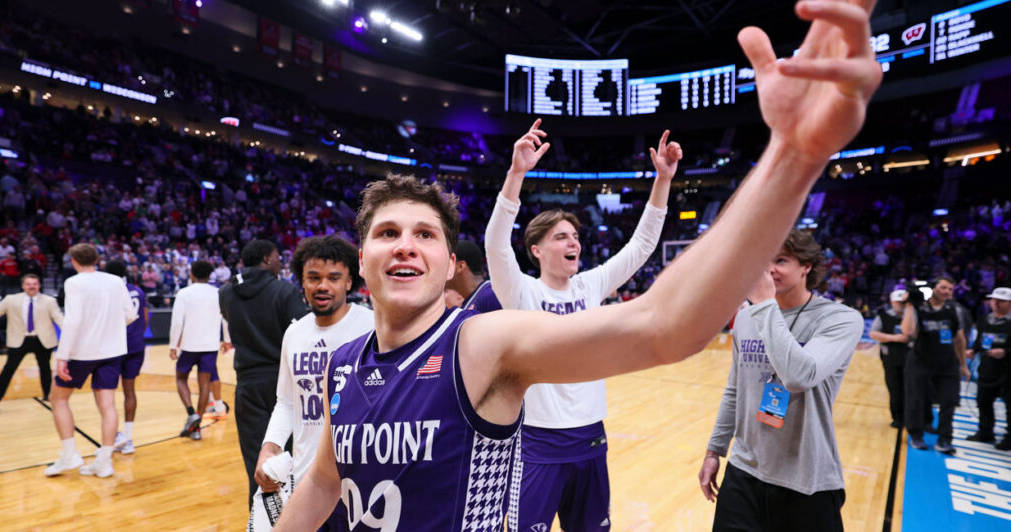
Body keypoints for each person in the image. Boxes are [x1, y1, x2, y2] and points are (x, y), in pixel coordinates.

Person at [275, 1, 882, 528]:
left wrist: (792, 159)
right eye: (388, 232)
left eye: (425, 234)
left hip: (584, 439)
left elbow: (662, 323)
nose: (405, 244)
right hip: (542, 445)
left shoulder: (484, 341)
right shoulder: (343, 364)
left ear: (446, 261)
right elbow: (326, 481)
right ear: (363, 259)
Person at [486, 123, 678, 531]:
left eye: (574, 235)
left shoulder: (591, 285)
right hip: (537, 441)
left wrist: (663, 180)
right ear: (537, 250)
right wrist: (516, 174)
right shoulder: (520, 292)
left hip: (590, 436)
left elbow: (641, 247)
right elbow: (495, 245)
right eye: (560, 237)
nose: (573, 242)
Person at [700, 230, 864, 531]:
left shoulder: (840, 319)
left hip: (805, 480)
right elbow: (735, 390)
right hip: (743, 471)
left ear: (807, 266)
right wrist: (715, 450)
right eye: (762, 261)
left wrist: (763, 303)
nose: (768, 269)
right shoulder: (747, 317)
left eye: (781, 260)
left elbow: (799, 376)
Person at [254, 236, 374, 527]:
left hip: (361, 484)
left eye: (334, 278)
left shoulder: (372, 327)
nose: (323, 286)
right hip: (309, 481)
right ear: (302, 282)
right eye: (314, 278)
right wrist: (269, 447)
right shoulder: (294, 334)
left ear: (349, 282)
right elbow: (286, 402)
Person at [220, 239, 308, 504]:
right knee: (292, 461)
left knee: (257, 464)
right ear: (267, 260)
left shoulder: (224, 293)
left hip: (247, 384)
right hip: (283, 385)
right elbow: (302, 337)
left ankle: (261, 521)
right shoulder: (285, 291)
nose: (281, 261)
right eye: (277, 257)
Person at [45, 243, 136, 478]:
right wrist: (110, 330)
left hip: (83, 352)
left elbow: (73, 321)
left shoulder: (74, 282)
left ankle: (69, 455)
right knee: (107, 405)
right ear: (96, 260)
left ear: (74, 261)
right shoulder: (115, 280)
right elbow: (130, 315)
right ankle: (104, 462)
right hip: (113, 351)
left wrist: (62, 356)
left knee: (58, 398)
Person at [902, 276, 970, 454]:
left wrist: (963, 365)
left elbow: (959, 339)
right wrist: (910, 304)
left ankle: (945, 439)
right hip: (920, 360)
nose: (947, 292)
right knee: (915, 399)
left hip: (947, 362)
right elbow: (907, 332)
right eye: (943, 288)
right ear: (933, 288)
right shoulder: (918, 307)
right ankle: (916, 435)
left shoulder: (954, 309)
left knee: (949, 401)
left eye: (950, 289)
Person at [0, 274, 64, 412]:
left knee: (45, 369)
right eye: (28, 284)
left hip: (42, 340)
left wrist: (71, 333)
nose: (32, 286)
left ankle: (48, 396)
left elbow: (59, 319)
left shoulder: (49, 301)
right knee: (8, 370)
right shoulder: (11, 300)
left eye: (35, 283)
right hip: (19, 340)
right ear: (23, 286)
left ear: (39, 285)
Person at [169, 260, 225, 441]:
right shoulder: (218, 293)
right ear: (210, 276)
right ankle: (197, 427)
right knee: (204, 385)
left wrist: (173, 345)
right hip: (210, 346)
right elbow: (225, 318)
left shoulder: (184, 293)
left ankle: (191, 412)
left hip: (189, 345)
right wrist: (228, 340)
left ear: (191, 274)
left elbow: (177, 321)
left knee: (180, 378)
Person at [104, 260, 148, 453]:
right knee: (129, 391)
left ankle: (115, 436)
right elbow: (145, 319)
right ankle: (128, 439)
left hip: (114, 347)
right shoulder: (138, 291)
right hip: (136, 346)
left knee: (107, 394)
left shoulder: (109, 291)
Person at [965, 286, 1011, 450]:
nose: (996, 303)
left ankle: (1009, 438)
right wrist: (973, 350)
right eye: (994, 300)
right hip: (987, 369)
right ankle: (985, 432)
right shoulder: (984, 319)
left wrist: (1005, 352)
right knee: (983, 402)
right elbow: (980, 341)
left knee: (1009, 407)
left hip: (1007, 372)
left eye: (1001, 301)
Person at [869, 289, 911, 428]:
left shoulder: (913, 316)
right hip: (891, 357)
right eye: (898, 302)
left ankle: (913, 418)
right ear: (892, 302)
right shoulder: (884, 316)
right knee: (894, 388)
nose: (901, 305)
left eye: (903, 302)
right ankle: (897, 418)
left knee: (911, 389)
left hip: (911, 357)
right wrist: (895, 338)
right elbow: (873, 333)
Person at [445, 239, 501, 313]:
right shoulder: (470, 302)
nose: (442, 271)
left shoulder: (490, 295)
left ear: (460, 267)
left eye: (446, 265)